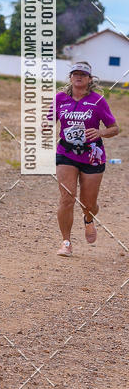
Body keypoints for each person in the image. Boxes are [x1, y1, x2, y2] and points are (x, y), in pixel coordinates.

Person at [52, 61, 119, 257]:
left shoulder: (98, 101)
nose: (78, 77)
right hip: (66, 153)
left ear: (90, 79)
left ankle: (88, 219)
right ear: (70, 77)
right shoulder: (60, 99)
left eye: (83, 74)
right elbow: (49, 119)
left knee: (87, 204)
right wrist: (45, 125)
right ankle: (66, 243)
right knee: (67, 198)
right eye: (75, 73)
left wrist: (100, 132)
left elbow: (115, 128)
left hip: (92, 155)